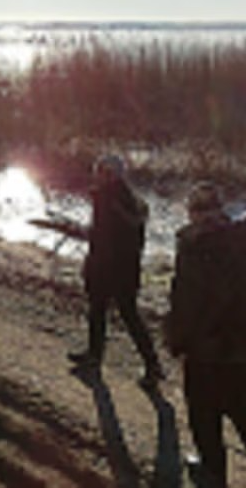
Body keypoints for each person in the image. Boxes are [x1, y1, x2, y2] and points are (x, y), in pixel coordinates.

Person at [164, 183, 246, 488]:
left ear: (193, 212)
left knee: (203, 411)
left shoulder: (193, 245)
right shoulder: (245, 237)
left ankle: (213, 473)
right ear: (220, 208)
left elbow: (185, 301)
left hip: (206, 344)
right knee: (239, 399)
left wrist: (176, 339)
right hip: (245, 343)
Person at [68, 155, 164, 387]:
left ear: (111, 174)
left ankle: (150, 365)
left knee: (122, 315)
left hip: (111, 267)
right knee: (108, 312)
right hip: (124, 267)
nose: (98, 176)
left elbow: (105, 236)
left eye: (102, 172)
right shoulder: (127, 198)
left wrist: (94, 261)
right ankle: (97, 355)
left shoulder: (109, 197)